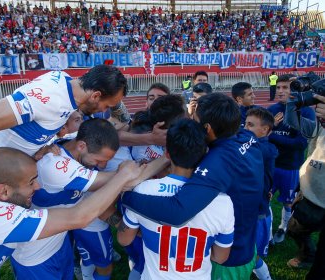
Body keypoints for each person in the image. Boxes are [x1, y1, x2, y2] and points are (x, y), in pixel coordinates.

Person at [122, 93, 264, 279]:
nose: (191, 122)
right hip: (243, 235)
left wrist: (128, 197)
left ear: (207, 128)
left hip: (229, 254)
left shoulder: (216, 162)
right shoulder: (245, 136)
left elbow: (177, 212)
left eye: (194, 120)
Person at [0, 147, 145, 279]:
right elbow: (78, 217)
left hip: (57, 249)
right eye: (31, 182)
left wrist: (48, 146)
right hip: (34, 263)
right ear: (3, 191)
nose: (37, 186)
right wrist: (123, 175)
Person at [0, 65, 128, 191]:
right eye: (107, 106)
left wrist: (44, 146)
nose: (104, 111)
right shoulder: (48, 99)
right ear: (96, 95)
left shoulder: (64, 83)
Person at [117, 118, 235, 279]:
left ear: (167, 153)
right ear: (205, 152)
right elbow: (220, 257)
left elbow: (124, 239)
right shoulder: (223, 202)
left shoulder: (143, 190)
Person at [267, 74, 315, 244]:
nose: (280, 91)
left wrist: (271, 134)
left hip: (291, 167)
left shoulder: (305, 111)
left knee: (288, 203)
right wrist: (268, 131)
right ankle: (267, 232)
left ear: (294, 90)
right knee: (265, 198)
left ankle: (283, 227)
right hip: (270, 165)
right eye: (278, 87)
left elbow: (300, 144)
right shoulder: (271, 110)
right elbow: (261, 136)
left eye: (285, 87)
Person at [284, 92, 325, 274]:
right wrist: (293, 103)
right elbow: (300, 126)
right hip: (312, 191)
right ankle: (308, 254)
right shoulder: (322, 124)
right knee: (295, 228)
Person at [245, 107, 278, 280]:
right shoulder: (255, 146)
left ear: (264, 130)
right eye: (245, 124)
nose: (245, 128)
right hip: (253, 209)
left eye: (250, 125)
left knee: (251, 253)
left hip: (257, 212)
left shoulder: (263, 149)